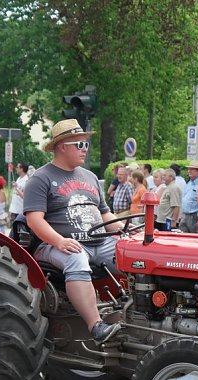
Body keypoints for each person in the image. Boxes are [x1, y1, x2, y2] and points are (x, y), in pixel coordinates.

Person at [23, 119, 123, 343]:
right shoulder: (41, 178)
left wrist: (125, 231)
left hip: (99, 242)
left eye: (86, 144)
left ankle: (139, 315)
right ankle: (96, 326)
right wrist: (59, 241)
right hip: (54, 245)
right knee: (75, 257)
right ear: (62, 146)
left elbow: (105, 213)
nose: (85, 150)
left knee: (134, 255)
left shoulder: (89, 177)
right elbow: (34, 220)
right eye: (80, 145)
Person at [180, 161, 198, 233]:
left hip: (195, 215)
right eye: (189, 169)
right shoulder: (189, 182)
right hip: (185, 214)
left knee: (194, 238)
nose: (189, 171)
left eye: (192, 169)